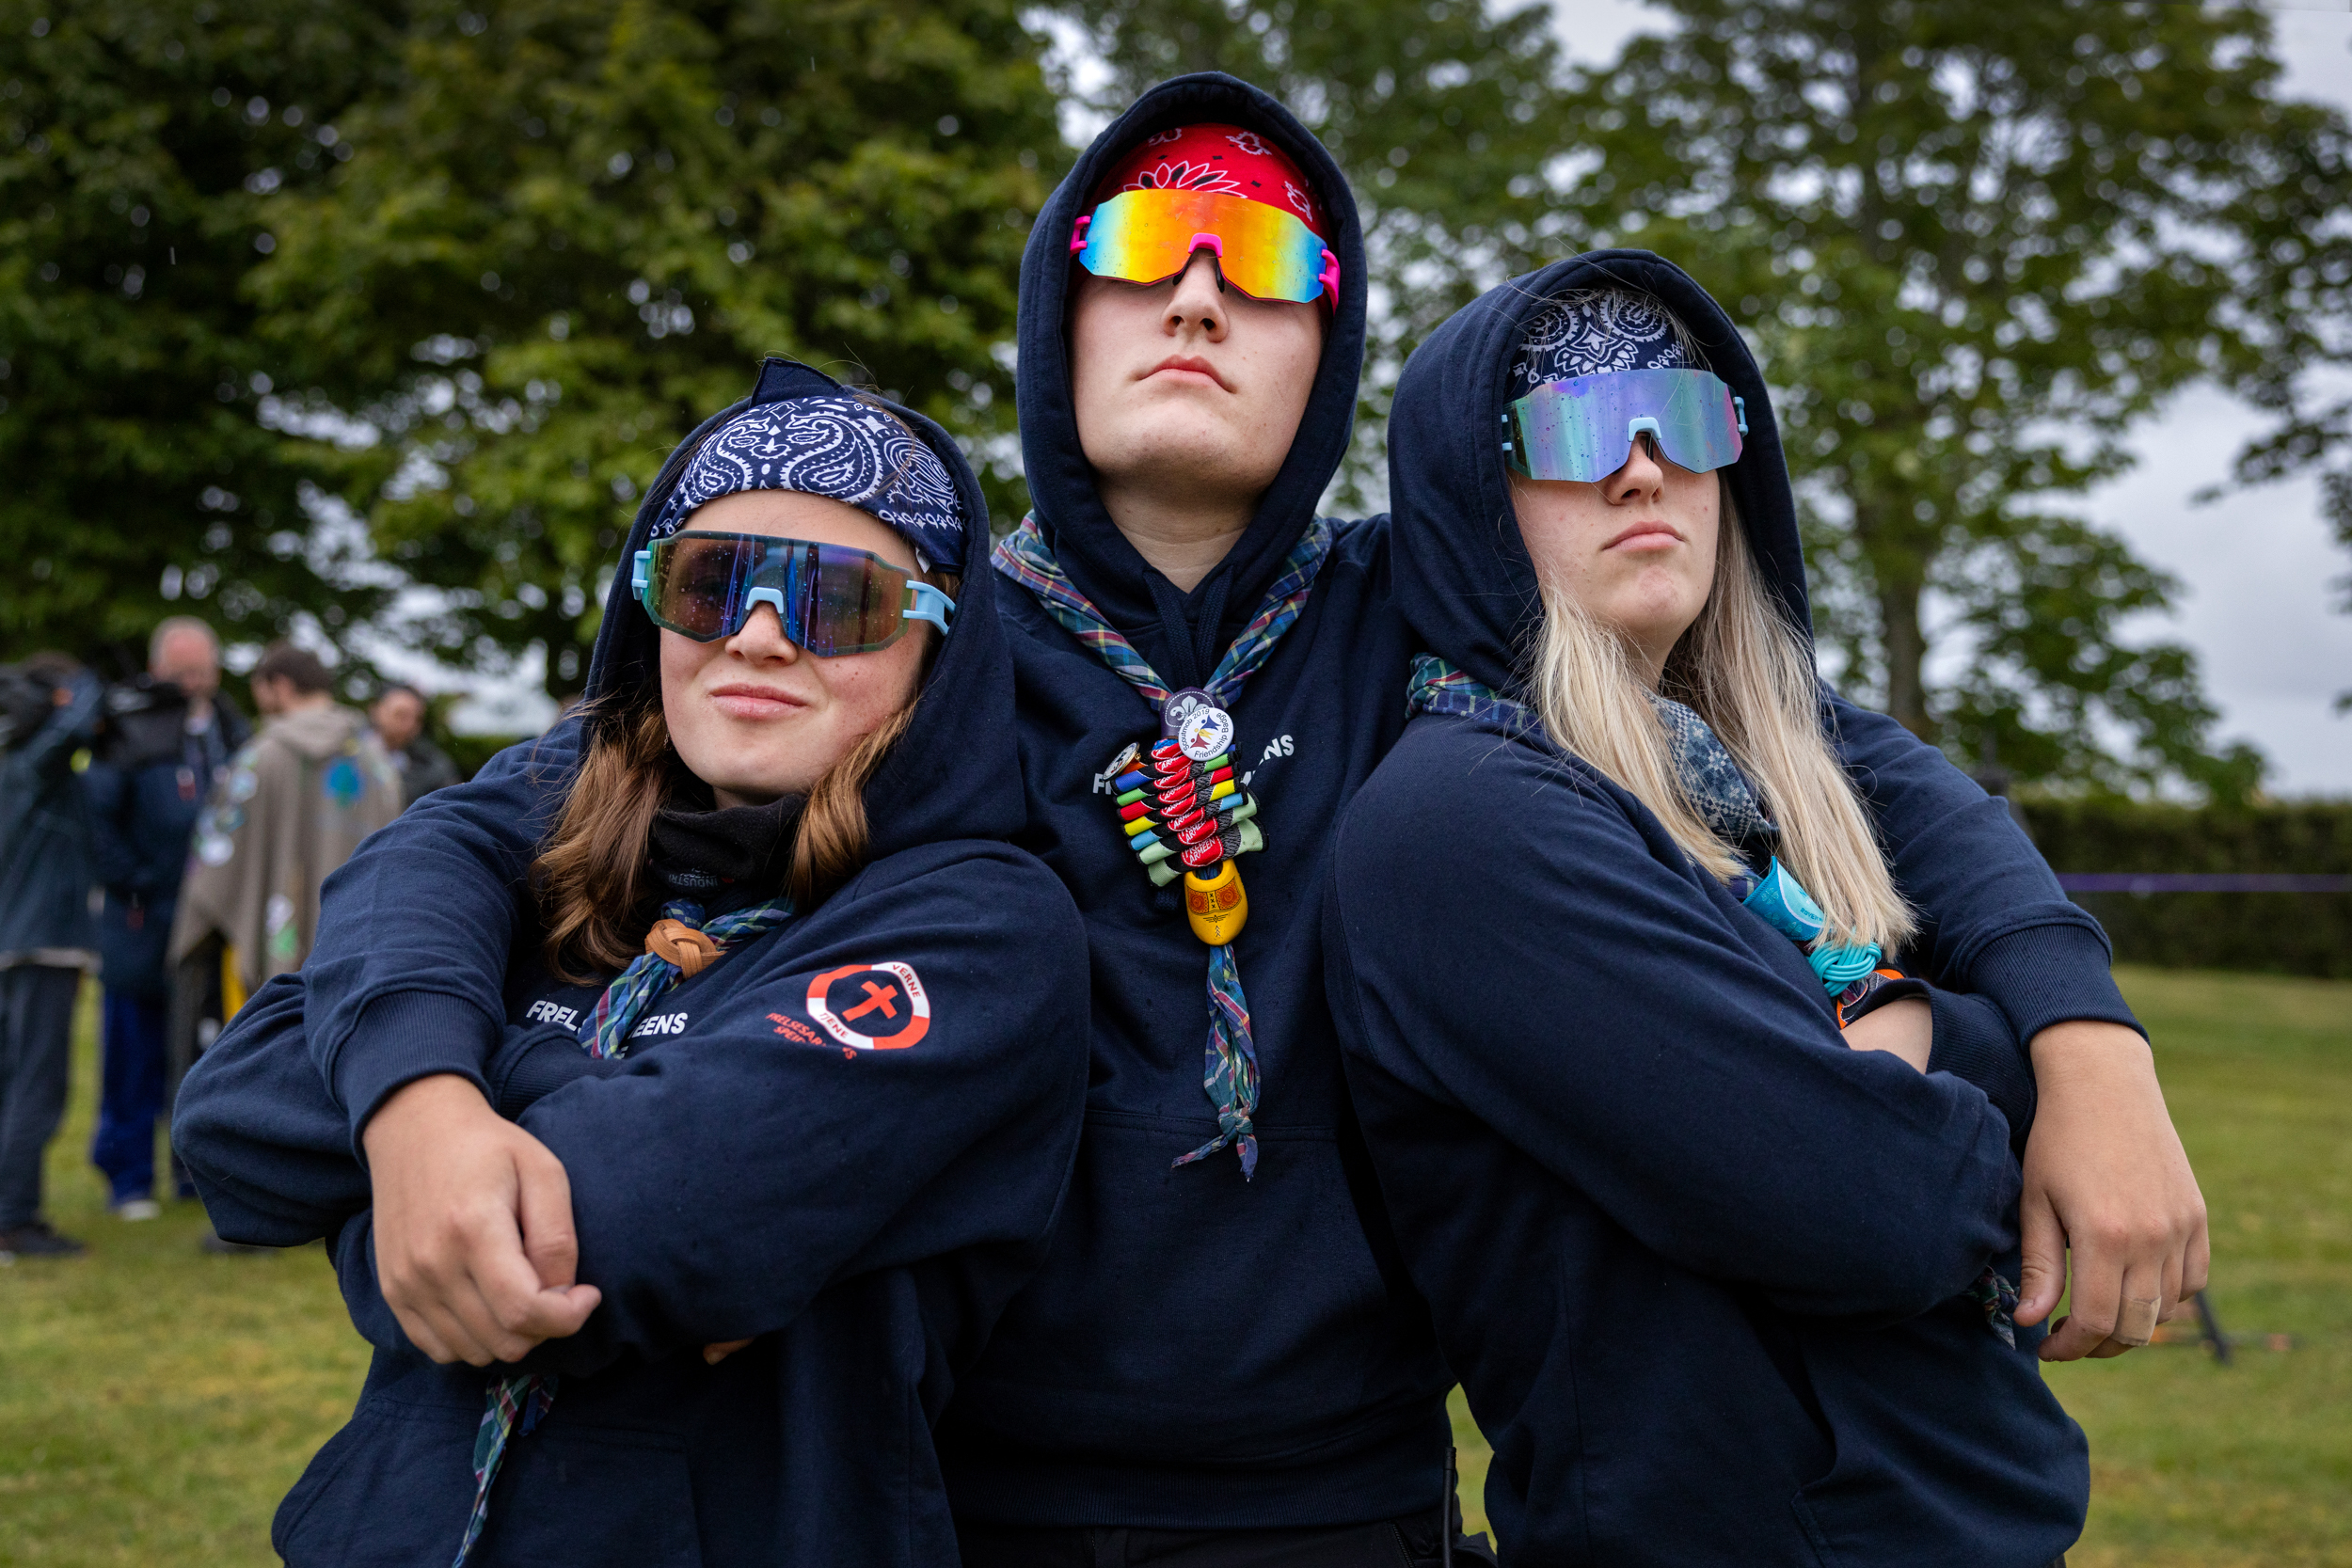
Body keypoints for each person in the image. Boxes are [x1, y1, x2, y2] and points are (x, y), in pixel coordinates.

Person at [252, 75, 2205, 1568]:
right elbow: (465, 835)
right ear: (1055, 310)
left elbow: (1832, 749)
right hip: (958, 1480)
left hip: (1343, 1486)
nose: (1198, 292)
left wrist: (2080, 1035)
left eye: (1264, 264)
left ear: (1328, 345)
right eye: (1142, 249)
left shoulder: (1433, 624)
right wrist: (424, 1091)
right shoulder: (901, 634)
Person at [1321, 262, 2188, 1563]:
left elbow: (1915, 791)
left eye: (1684, 416)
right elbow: (1870, 1205)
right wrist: (1995, 1054)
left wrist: (2083, 1037)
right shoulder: (1464, 816)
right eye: (1569, 428)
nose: (1640, 469)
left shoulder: (1725, 762)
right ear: (1469, 497)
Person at [173, 358, 1089, 1566]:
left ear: (938, 645)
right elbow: (229, 1121)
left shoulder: (987, 923)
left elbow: (626, 1227)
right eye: (712, 583)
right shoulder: (551, 845)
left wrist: (403, 1133)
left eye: (843, 602)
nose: (758, 636)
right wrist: (424, 1115)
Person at [82, 616, 249, 1219]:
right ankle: (127, 1175)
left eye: (201, 670)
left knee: (201, 1044)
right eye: (181, 671)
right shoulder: (126, 730)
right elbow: (98, 817)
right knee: (133, 1042)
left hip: (209, 918)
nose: (192, 682)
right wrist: (136, 884)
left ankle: (191, 1169)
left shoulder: (230, 727)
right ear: (158, 670)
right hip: (142, 916)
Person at [167, 641, 402, 1005]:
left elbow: (214, 861)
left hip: (276, 951)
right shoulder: (379, 765)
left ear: (281, 686)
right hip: (356, 957)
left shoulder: (260, 758)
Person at [0, 652, 104, 1259]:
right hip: (43, 943)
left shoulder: (14, 760)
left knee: (14, 1082)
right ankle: (15, 1220)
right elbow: (75, 723)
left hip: (17, 941)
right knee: (37, 1084)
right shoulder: (33, 763)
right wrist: (84, 685)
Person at [370, 681, 460, 807]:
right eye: (400, 715)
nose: (409, 725)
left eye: (417, 718)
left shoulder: (434, 765)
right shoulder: (346, 753)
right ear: (376, 711)